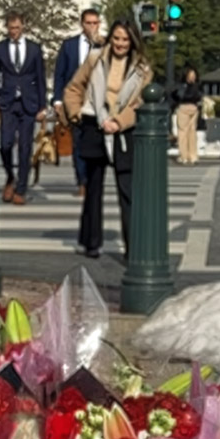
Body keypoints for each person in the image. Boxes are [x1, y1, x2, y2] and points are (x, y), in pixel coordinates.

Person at [63, 18, 152, 259]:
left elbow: (139, 102)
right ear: (110, 38)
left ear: (133, 41)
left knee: (127, 190)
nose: (120, 44)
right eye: (116, 38)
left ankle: (133, 247)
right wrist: (76, 113)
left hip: (123, 130)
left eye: (125, 39)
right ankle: (91, 242)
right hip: (94, 124)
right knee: (93, 189)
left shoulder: (142, 68)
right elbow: (74, 88)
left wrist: (119, 122)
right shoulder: (95, 58)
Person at [0, 10, 47, 205]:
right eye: (11, 28)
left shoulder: (34, 49)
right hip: (8, 103)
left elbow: (40, 78)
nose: (14, 31)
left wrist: (42, 106)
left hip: (28, 104)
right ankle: (10, 176)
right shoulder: (0, 48)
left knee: (25, 147)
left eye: (17, 28)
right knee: (5, 144)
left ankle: (21, 188)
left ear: (23, 27)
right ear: (7, 28)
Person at [53, 9, 102, 197]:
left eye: (95, 23)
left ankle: (93, 180)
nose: (92, 27)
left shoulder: (104, 46)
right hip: (74, 101)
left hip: (97, 101)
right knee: (78, 142)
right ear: (82, 24)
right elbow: (60, 74)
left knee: (95, 142)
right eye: (89, 23)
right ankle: (82, 181)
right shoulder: (69, 46)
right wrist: (58, 101)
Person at [173, 65, 202, 165]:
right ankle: (192, 156)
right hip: (192, 107)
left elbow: (177, 95)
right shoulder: (196, 86)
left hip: (184, 107)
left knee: (184, 132)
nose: (192, 77)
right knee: (190, 132)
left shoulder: (181, 86)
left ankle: (184, 156)